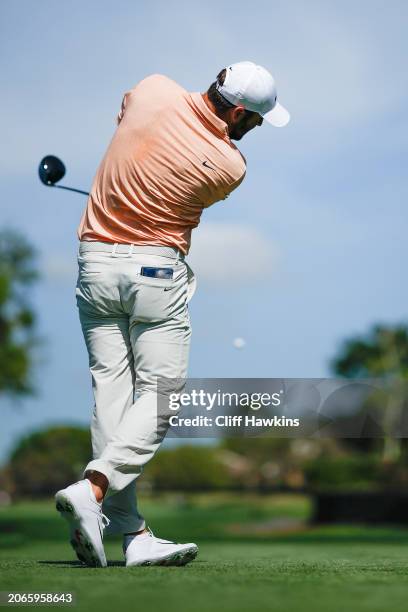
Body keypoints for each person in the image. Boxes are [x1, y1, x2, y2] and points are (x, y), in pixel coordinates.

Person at [55, 61, 290, 568]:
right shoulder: (231, 166)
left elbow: (130, 120)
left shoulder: (153, 88)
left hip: (94, 264)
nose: (255, 132)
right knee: (161, 394)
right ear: (241, 113)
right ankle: (94, 488)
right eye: (256, 122)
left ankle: (132, 534)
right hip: (153, 273)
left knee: (111, 393)